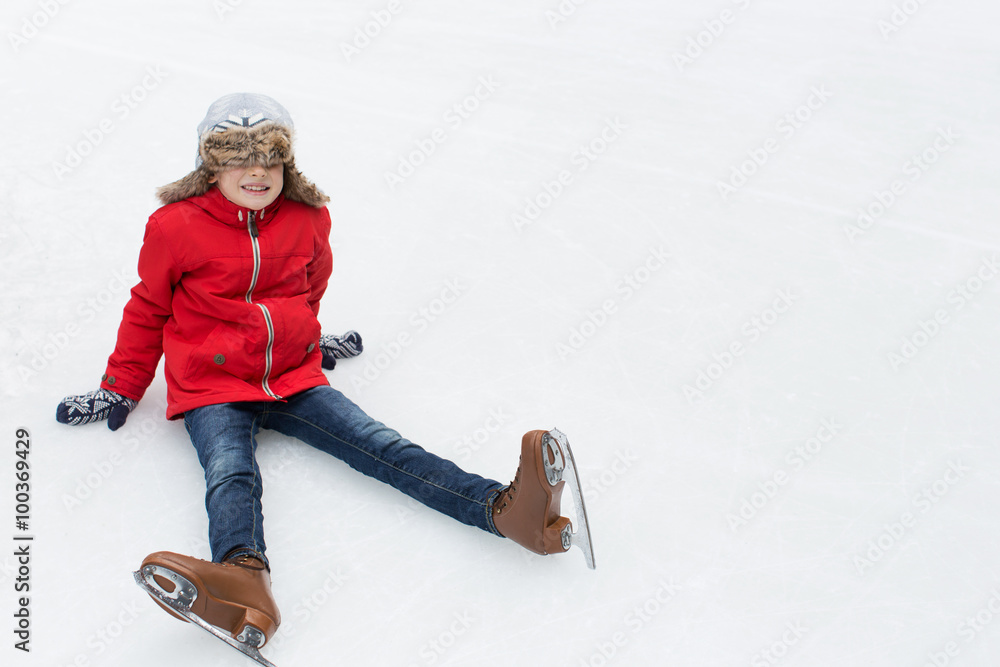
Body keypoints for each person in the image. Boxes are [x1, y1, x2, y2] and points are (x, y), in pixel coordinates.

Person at [55, 93, 592, 664]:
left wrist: (309, 337)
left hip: (293, 376)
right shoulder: (175, 226)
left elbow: (307, 288)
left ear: (287, 163)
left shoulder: (308, 217)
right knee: (229, 470)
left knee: (383, 445)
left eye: (270, 157)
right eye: (238, 158)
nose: (256, 171)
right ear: (210, 165)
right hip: (212, 387)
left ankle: (507, 512)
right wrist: (122, 385)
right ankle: (243, 581)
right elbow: (147, 309)